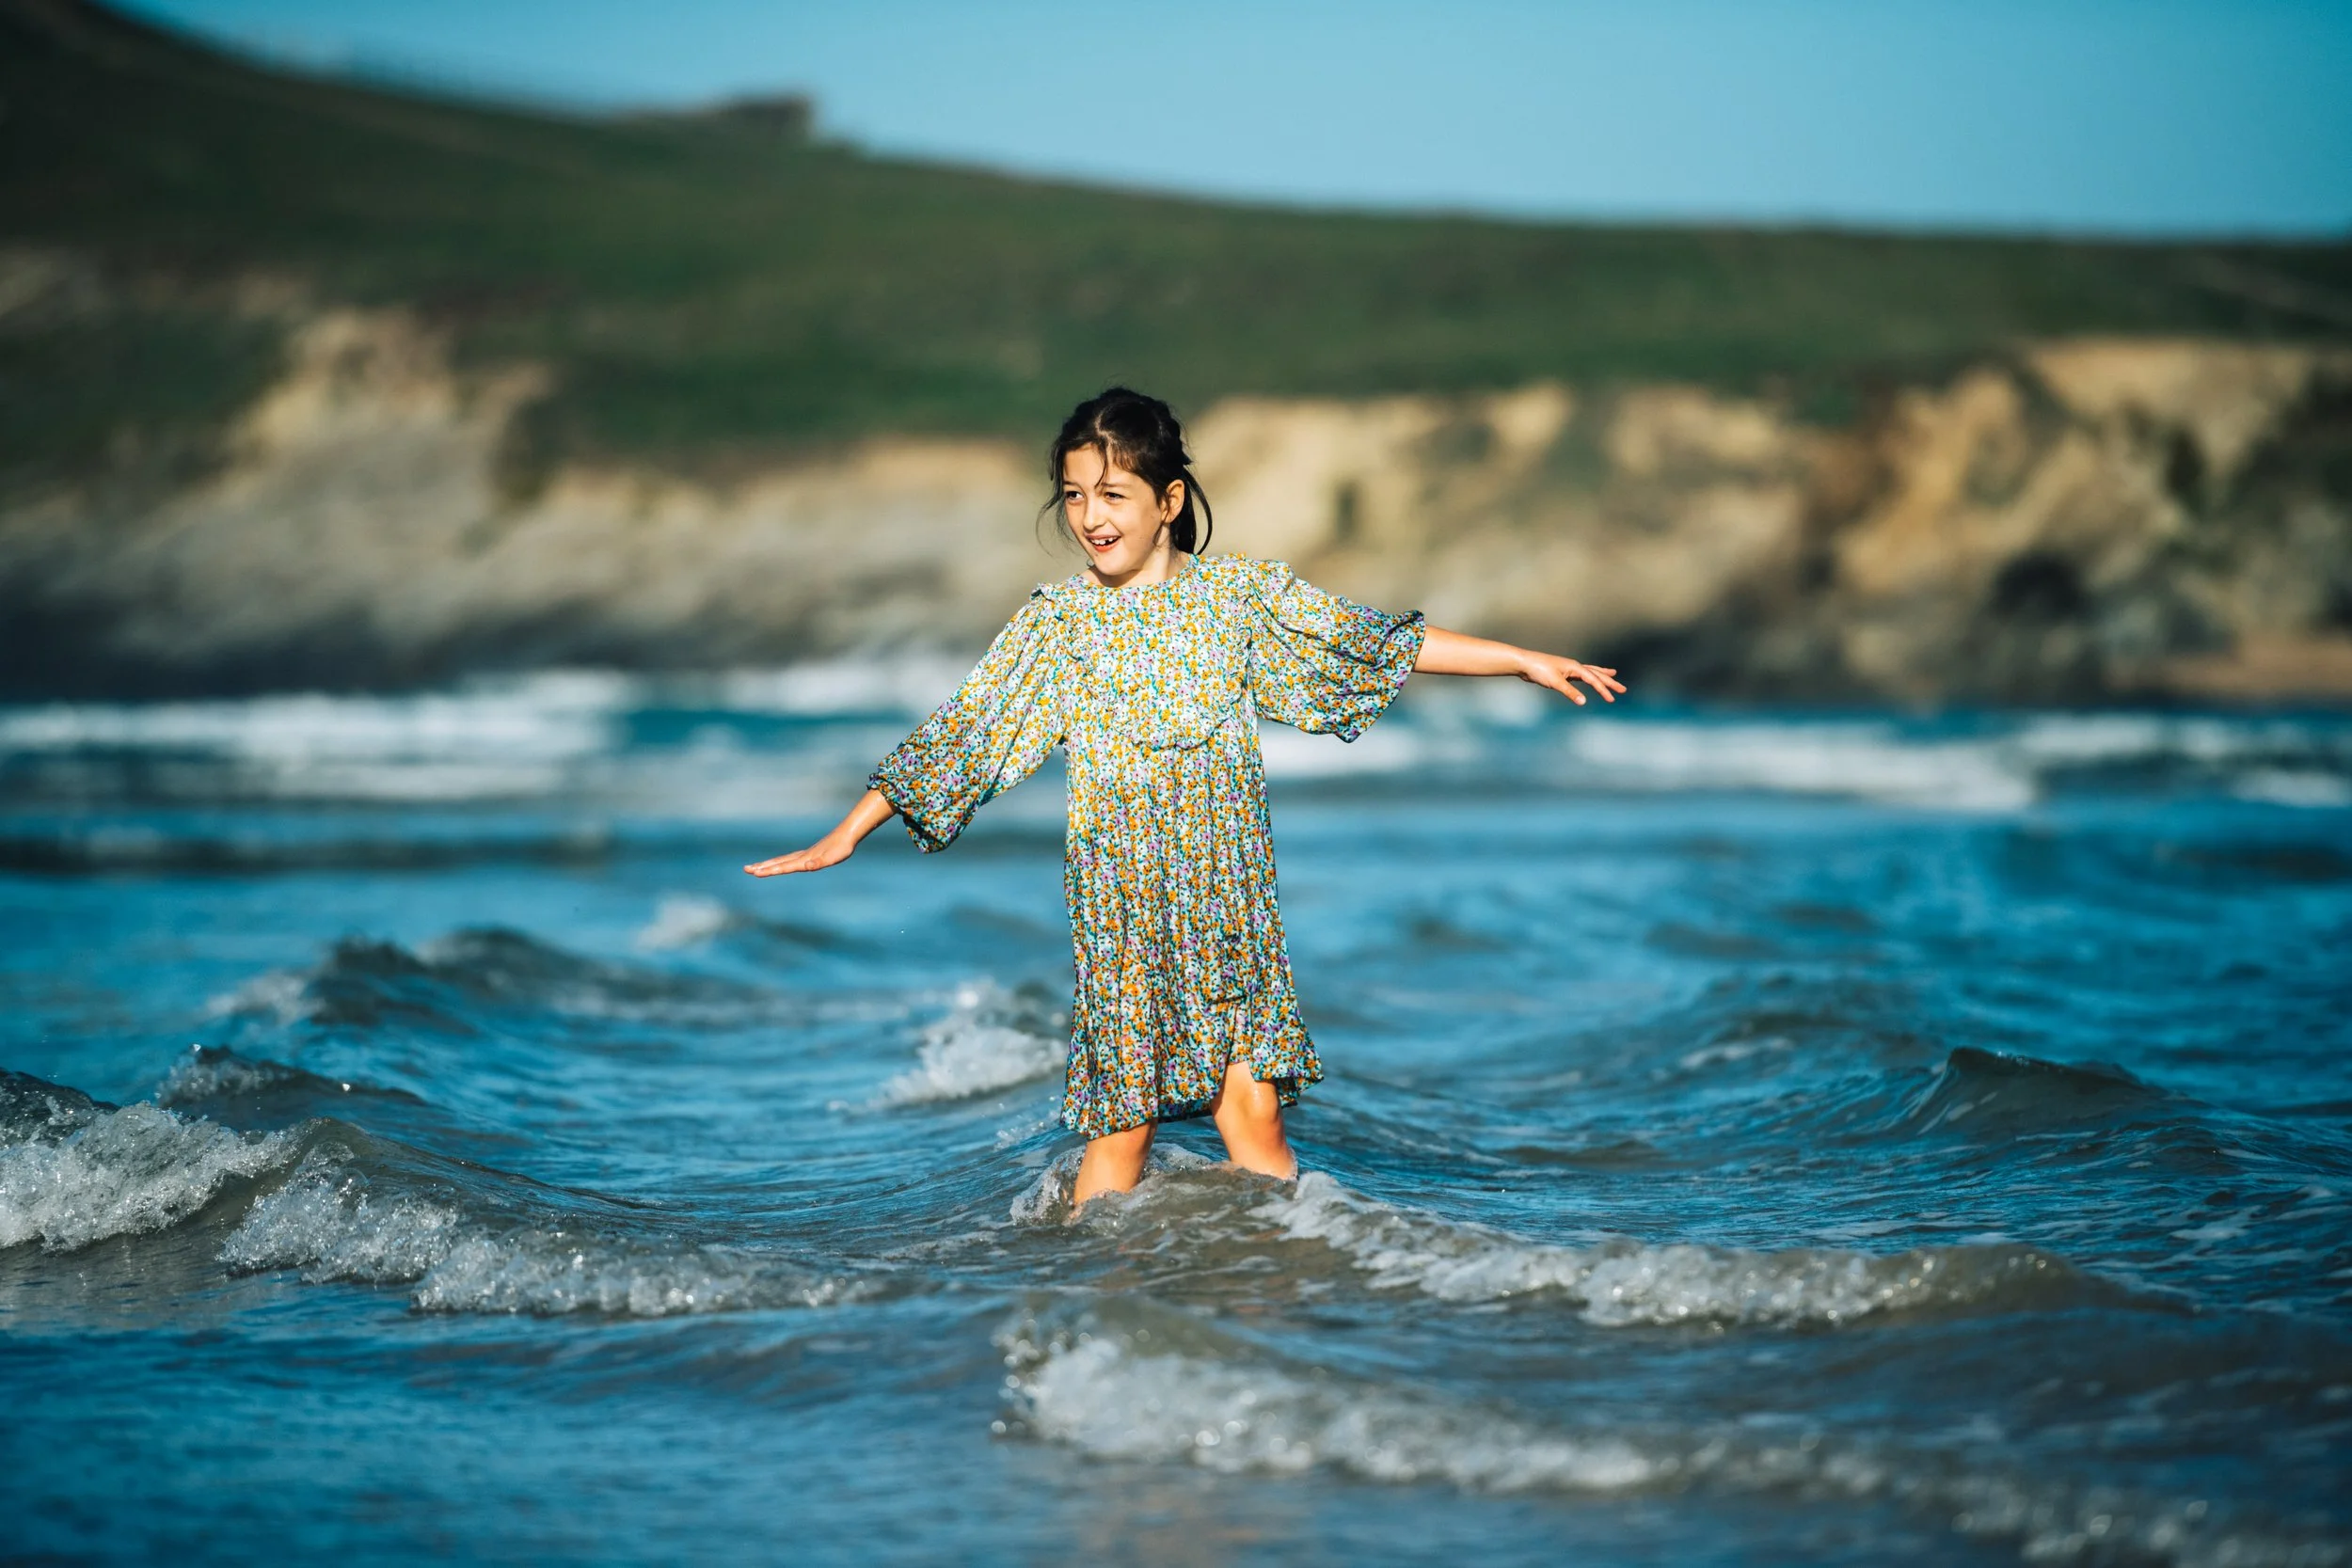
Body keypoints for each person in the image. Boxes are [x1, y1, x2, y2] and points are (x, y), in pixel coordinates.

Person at [746, 388, 1623, 1207]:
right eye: (1076, 495)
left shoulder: (1237, 600)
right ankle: (1083, 1295)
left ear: (1168, 501)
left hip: (1230, 905)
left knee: (1254, 1112)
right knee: (1125, 1133)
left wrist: (1519, 657)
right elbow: (963, 735)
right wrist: (848, 830)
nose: (1091, 516)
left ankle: (1291, 1279)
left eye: (1114, 494)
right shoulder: (1058, 624)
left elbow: (1371, 643)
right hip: (1123, 912)